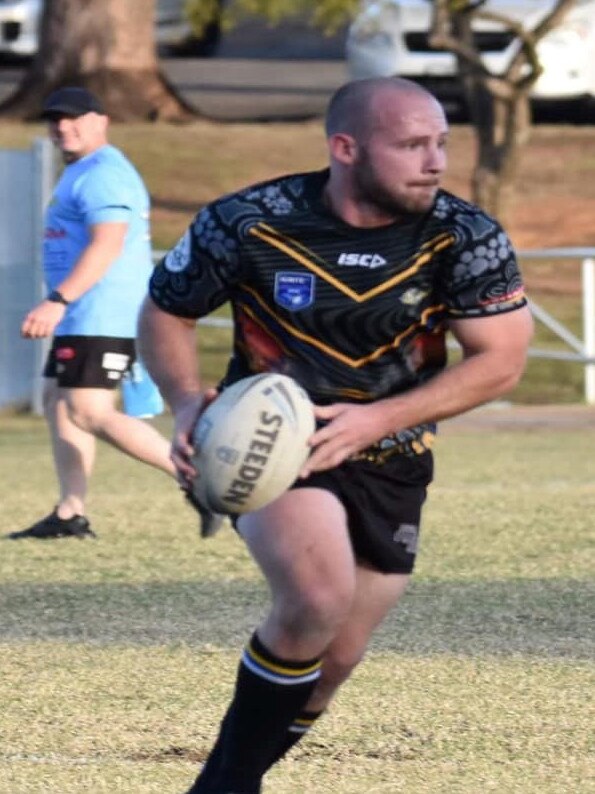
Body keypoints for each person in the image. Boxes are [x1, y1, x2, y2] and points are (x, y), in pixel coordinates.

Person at [138, 77, 534, 793]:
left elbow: (501, 361)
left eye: (440, 142)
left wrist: (377, 420)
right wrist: (185, 402)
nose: (435, 161)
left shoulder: (463, 235)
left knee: (337, 655)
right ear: (345, 147)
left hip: (393, 456)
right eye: (412, 144)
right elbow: (167, 309)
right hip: (271, 448)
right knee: (317, 596)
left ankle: (231, 774)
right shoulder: (249, 221)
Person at [7, 86, 178, 541]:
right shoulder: (83, 171)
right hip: (84, 314)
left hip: (104, 312)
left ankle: (196, 477)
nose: (63, 126)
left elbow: (108, 244)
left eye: (75, 117)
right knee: (56, 400)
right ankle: (70, 513)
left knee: (86, 409)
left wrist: (57, 300)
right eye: (55, 119)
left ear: (101, 120)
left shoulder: (104, 173)